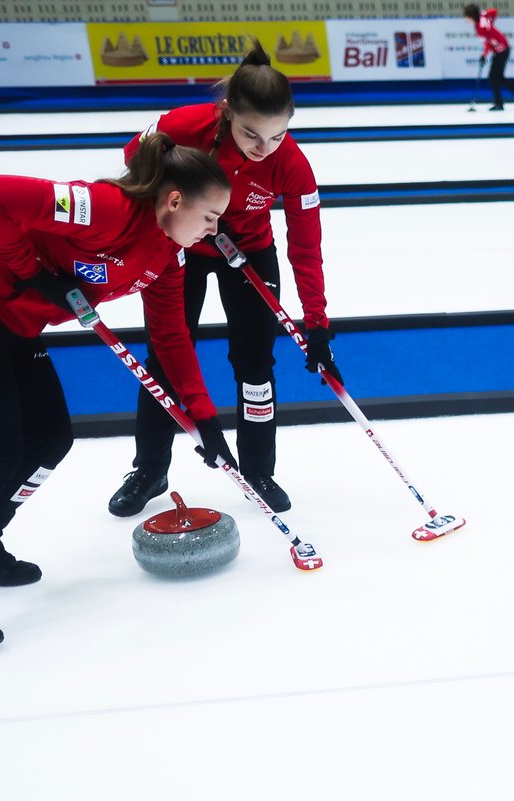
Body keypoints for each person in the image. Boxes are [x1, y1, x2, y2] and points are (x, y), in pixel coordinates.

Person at [0, 137, 232, 647]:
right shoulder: (106, 208)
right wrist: (32, 274)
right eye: (210, 216)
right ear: (174, 201)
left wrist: (204, 417)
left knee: (50, 437)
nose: (215, 230)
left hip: (9, 320)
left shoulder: (168, 259)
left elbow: (171, 337)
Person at [108, 43, 334, 520]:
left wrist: (316, 320)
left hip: (248, 254)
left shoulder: (291, 164)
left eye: (277, 136)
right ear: (226, 111)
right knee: (165, 357)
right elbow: (133, 160)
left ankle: (258, 469)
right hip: (179, 250)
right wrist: (176, 202)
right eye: (251, 134)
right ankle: (149, 468)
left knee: (256, 364)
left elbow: (306, 245)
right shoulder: (186, 124)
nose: (262, 148)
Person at [464, 6, 514, 111]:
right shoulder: (481, 22)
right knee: (498, 77)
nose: (465, 19)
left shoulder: (480, 28)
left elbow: (487, 41)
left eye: (466, 16)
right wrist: (484, 55)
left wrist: (485, 54)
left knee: (493, 77)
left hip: (502, 50)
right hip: (500, 49)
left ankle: (500, 103)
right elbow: (493, 12)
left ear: (472, 16)